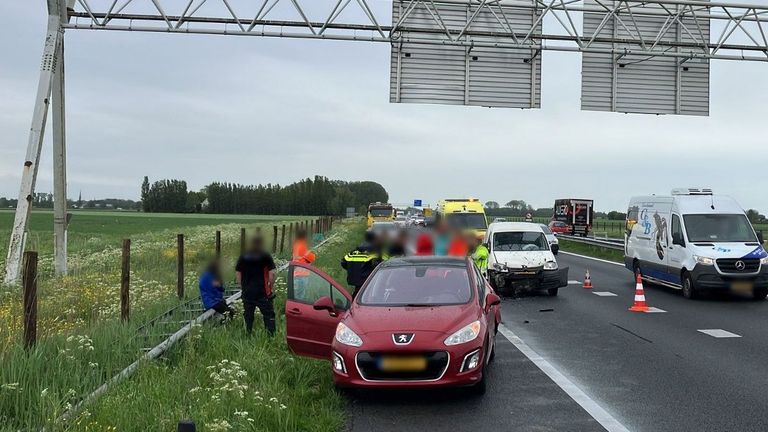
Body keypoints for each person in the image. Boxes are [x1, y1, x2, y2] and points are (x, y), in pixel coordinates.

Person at [236, 236, 277, 336]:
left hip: (247, 292)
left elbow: (238, 273)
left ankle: (247, 334)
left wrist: (242, 287)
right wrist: (270, 287)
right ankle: (270, 336)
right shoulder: (265, 255)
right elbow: (272, 273)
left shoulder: (243, 255)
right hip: (262, 292)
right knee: (268, 314)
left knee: (248, 315)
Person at [342, 231, 382, 297]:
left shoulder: (354, 252)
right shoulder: (374, 251)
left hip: (355, 282)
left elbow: (343, 263)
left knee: (356, 297)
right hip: (367, 281)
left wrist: (352, 269)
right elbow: (379, 265)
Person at [291, 228, 316, 301]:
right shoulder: (302, 245)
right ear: (304, 236)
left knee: (297, 295)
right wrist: (311, 254)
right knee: (299, 297)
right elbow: (311, 258)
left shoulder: (297, 244)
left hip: (297, 273)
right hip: (301, 275)